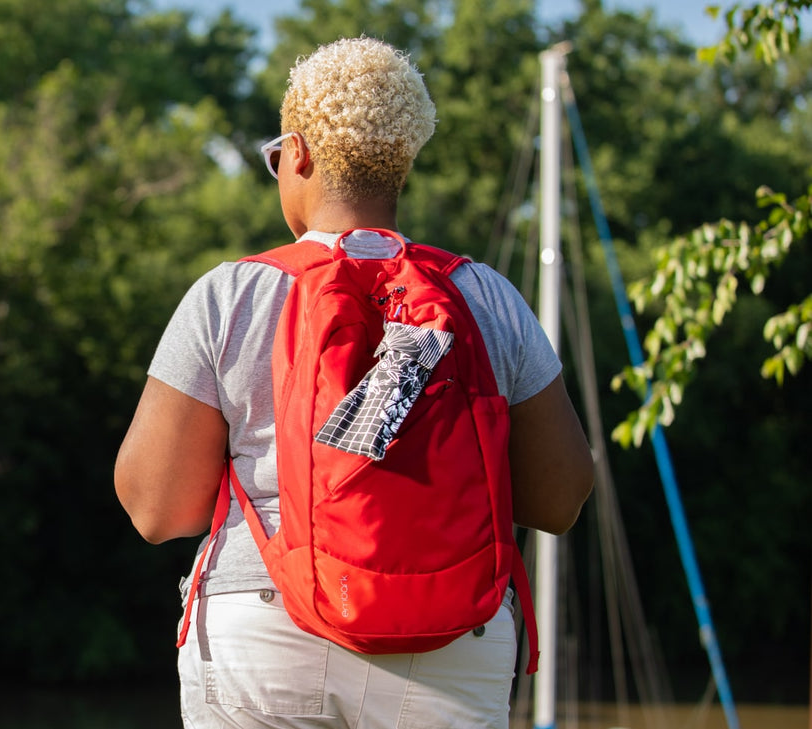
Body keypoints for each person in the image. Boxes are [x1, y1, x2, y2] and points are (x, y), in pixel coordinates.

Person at [114, 37, 594, 729]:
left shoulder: (232, 294)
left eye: (275, 156)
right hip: (451, 641)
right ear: (402, 164)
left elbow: (156, 509)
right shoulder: (483, 297)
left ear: (299, 153)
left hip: (265, 624)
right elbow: (558, 498)